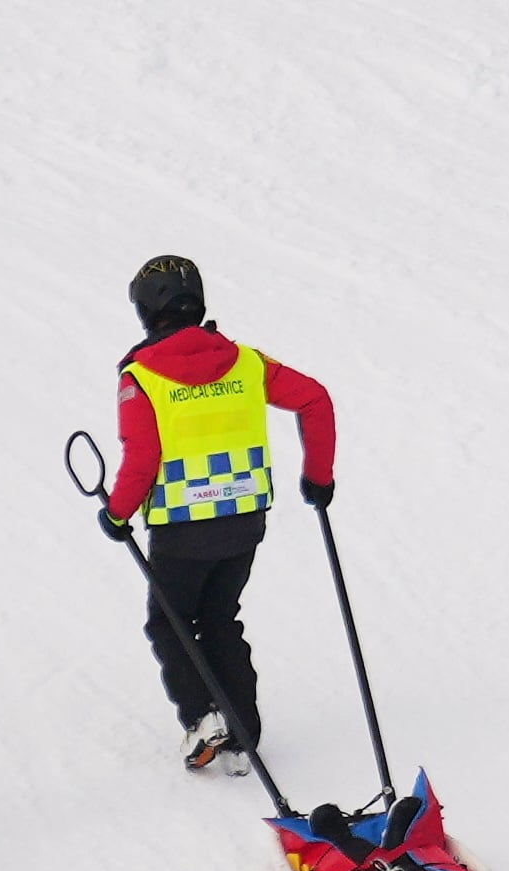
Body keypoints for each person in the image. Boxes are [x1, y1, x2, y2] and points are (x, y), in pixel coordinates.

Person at [99, 255, 337, 773]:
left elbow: (143, 459)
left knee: (170, 624)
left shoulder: (141, 377)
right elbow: (315, 400)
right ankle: (243, 732)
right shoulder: (247, 363)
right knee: (219, 617)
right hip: (243, 520)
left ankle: (205, 719)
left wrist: (117, 515)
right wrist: (318, 479)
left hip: (181, 528)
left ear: (145, 310)